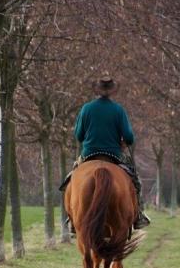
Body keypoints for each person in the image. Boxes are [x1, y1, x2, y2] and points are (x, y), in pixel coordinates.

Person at [60, 72, 151, 233]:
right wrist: (123, 141)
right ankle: (138, 216)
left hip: (88, 155)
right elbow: (129, 137)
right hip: (114, 156)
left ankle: (71, 218)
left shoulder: (86, 108)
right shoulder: (118, 110)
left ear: (97, 90)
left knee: (70, 180)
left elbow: (78, 135)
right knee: (135, 182)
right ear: (111, 91)